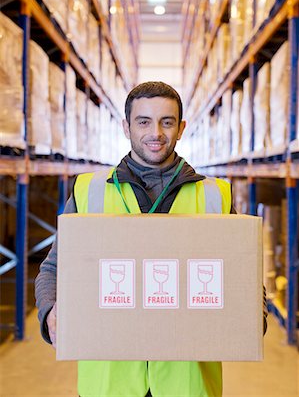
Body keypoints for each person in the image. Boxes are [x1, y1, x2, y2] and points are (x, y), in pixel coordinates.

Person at [35, 81, 267, 397]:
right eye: (143, 121)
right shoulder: (89, 191)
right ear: (126, 127)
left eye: (166, 122)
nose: (155, 132)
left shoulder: (214, 195)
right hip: (110, 382)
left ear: (181, 127)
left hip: (186, 383)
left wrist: (253, 317)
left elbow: (244, 276)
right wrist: (50, 310)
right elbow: (53, 268)